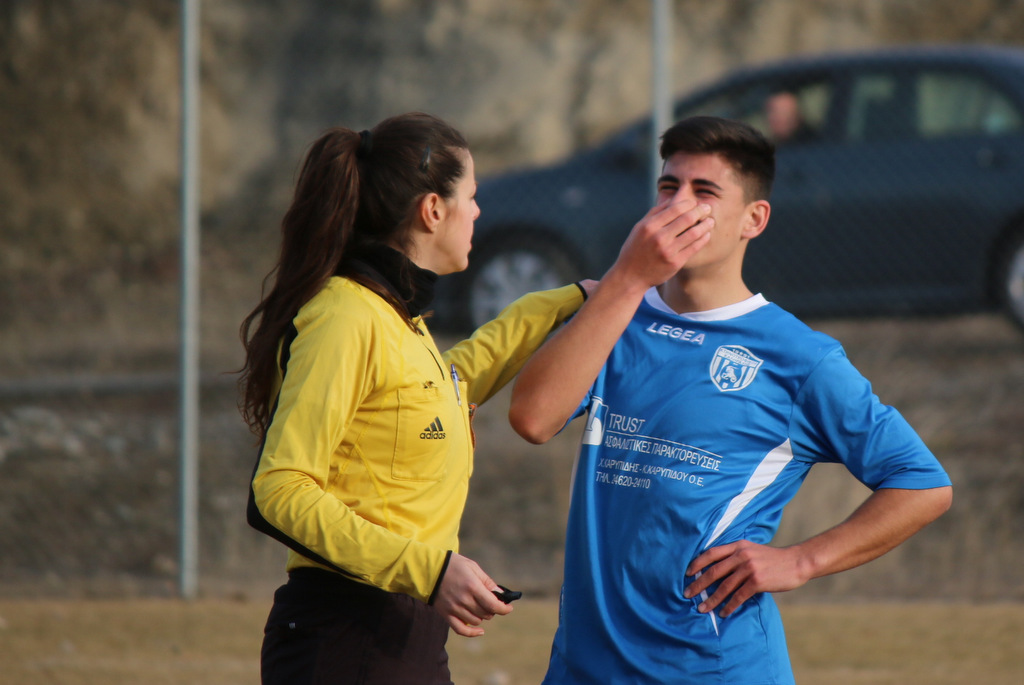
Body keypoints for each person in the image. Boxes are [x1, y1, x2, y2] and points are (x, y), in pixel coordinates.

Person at [508, 116, 953, 684]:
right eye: (668, 187)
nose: (679, 206)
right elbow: (532, 418)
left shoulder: (799, 357)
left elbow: (922, 483)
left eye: (705, 192)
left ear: (753, 219)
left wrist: (801, 560)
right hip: (583, 668)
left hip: (713, 668)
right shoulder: (616, 312)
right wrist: (625, 280)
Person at [237, 112, 588, 685]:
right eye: (471, 197)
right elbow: (278, 490)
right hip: (345, 638)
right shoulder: (346, 316)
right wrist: (430, 570)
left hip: (401, 636)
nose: (478, 211)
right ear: (432, 210)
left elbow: (446, 387)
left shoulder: (396, 316)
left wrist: (566, 302)